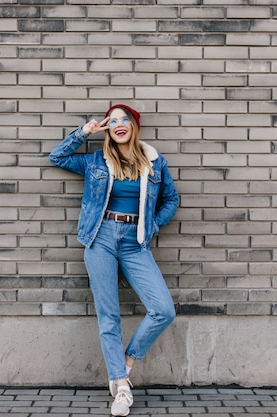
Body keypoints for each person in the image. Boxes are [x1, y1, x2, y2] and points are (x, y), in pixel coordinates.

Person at [48, 104, 179, 416]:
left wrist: (153, 224)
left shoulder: (155, 163)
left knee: (163, 310)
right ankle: (120, 386)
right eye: (114, 120)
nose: (120, 124)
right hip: (101, 237)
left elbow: (171, 199)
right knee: (109, 316)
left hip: (136, 242)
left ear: (135, 126)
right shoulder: (96, 160)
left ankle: (126, 362)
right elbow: (57, 157)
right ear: (107, 127)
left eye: (126, 120)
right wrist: (85, 132)